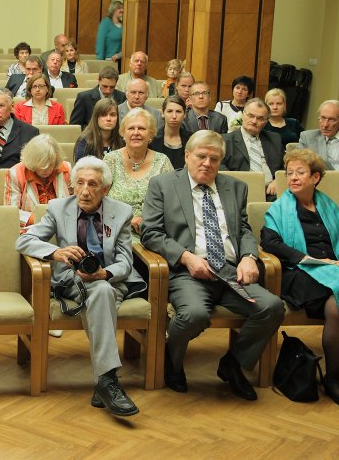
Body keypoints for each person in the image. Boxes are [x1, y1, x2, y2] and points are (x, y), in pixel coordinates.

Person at [140, 130, 285, 400]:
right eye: (201, 156)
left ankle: (233, 364)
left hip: (230, 273)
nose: (207, 163)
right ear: (187, 156)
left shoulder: (235, 187)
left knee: (272, 307)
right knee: (194, 315)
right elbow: (151, 233)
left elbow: (243, 229)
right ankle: (172, 361)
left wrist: (249, 257)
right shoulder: (163, 184)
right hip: (188, 273)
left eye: (214, 158)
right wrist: (186, 257)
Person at [15, 156, 141, 417]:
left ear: (105, 189)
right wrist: (55, 252)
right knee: (103, 295)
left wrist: (106, 272)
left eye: (93, 184)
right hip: (72, 281)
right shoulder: (58, 208)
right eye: (80, 183)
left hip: (109, 279)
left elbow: (126, 262)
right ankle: (108, 381)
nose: (85, 191)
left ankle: (104, 382)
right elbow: (24, 241)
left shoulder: (121, 212)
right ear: (72, 186)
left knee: (104, 292)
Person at [261, 149, 339, 408]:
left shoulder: (327, 204)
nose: (293, 178)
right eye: (290, 173)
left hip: (338, 271)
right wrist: (309, 259)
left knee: (337, 306)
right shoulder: (280, 208)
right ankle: (333, 380)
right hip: (301, 274)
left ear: (315, 177)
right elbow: (270, 242)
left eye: (300, 173)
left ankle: (333, 378)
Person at [104, 108, 173, 241]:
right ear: (123, 133)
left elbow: (172, 205)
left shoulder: (163, 161)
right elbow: (98, 201)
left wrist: (149, 224)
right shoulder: (110, 160)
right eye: (131, 128)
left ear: (151, 134)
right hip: (114, 232)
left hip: (154, 234)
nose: (136, 133)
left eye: (141, 128)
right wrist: (126, 220)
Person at [220, 98, 282, 201]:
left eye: (260, 118)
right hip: (239, 194)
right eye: (251, 116)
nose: (254, 121)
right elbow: (220, 168)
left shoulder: (274, 138)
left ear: (265, 122)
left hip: (272, 193)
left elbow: (285, 165)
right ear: (243, 115)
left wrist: (278, 180)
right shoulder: (225, 140)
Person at [3, 134, 71, 227]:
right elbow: (11, 212)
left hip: (63, 226)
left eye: (51, 164)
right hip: (31, 228)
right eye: (42, 165)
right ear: (32, 161)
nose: (47, 170)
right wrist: (36, 218)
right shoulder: (15, 173)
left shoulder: (65, 169)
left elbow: (75, 203)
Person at [298, 100, 339, 171]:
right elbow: (300, 167)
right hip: (321, 181)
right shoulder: (307, 137)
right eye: (323, 118)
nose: (325, 125)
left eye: (331, 120)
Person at [150, 96, 191, 170]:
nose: (174, 116)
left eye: (178, 112)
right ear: (163, 113)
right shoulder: (151, 140)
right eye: (169, 111)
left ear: (184, 114)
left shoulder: (191, 139)